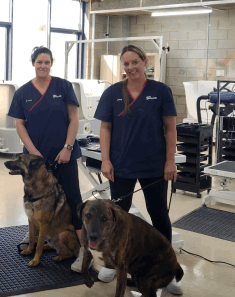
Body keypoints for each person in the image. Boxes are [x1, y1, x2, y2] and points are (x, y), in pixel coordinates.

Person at [94, 44, 182, 295]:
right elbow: (105, 129)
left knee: (159, 217)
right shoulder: (112, 93)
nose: (130, 67)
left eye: (135, 62)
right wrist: (106, 160)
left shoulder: (161, 91)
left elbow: (170, 129)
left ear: (145, 62)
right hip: (121, 166)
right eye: (126, 64)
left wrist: (170, 161)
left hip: (154, 166)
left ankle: (170, 269)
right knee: (115, 219)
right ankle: (112, 262)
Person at [7, 46, 85, 272]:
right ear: (33, 64)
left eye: (47, 62)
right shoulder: (22, 93)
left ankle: (82, 251)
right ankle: (39, 239)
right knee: (36, 200)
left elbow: (74, 118)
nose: (43, 66)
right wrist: (33, 152)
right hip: (36, 162)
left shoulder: (63, 86)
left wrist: (68, 147)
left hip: (64, 155)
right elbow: (19, 124)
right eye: (39, 62)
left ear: (52, 64)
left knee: (73, 199)